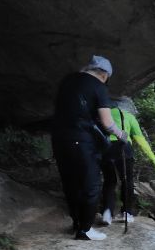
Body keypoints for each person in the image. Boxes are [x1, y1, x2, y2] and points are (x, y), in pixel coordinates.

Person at [51, 55, 127, 240]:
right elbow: (107, 122)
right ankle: (85, 229)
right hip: (82, 140)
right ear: (104, 74)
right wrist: (121, 135)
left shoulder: (67, 82)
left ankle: (76, 223)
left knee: (70, 182)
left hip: (59, 138)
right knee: (90, 183)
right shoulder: (98, 86)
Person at [101, 103, 155, 224]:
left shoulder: (105, 113)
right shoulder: (129, 117)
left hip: (106, 148)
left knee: (109, 181)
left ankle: (107, 213)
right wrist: (153, 158)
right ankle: (127, 213)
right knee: (127, 180)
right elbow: (140, 139)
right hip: (124, 148)